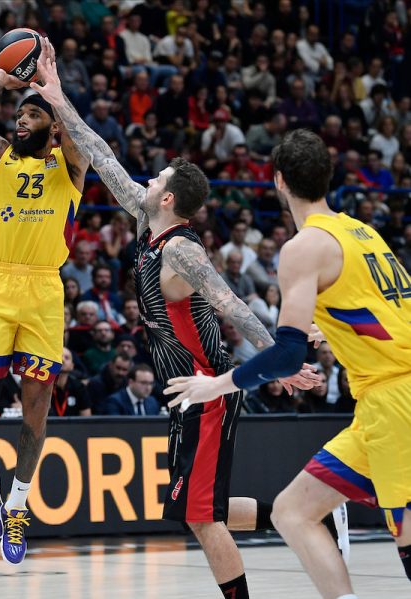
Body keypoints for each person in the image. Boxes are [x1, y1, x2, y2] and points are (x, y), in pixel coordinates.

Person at [29, 38, 320, 599]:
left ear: (167, 200)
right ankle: (308, 518)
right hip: (183, 390)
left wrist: (283, 359)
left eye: (156, 180)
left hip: (207, 388)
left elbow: (232, 304)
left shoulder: (182, 251)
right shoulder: (148, 223)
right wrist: (57, 97)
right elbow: (101, 155)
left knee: (200, 516)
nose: (147, 182)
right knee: (195, 507)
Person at [165, 129, 411, 598]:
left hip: (396, 401)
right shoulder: (362, 231)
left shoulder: (303, 247)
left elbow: (287, 354)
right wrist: (328, 330)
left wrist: (216, 385)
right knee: (292, 512)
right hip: (381, 402)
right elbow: (384, 312)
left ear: (278, 180)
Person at [0, 53, 89, 564]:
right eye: (19, 113)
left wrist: (53, 90)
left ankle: (17, 504)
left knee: (37, 405)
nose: (21, 119)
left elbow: (83, 142)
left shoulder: (69, 164)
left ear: (53, 126)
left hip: (44, 290)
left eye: (32, 114)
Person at [94, 364, 160, 416]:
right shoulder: (115, 402)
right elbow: (115, 427)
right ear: (131, 382)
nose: (148, 388)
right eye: (143, 383)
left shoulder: (152, 402)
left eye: (151, 383)